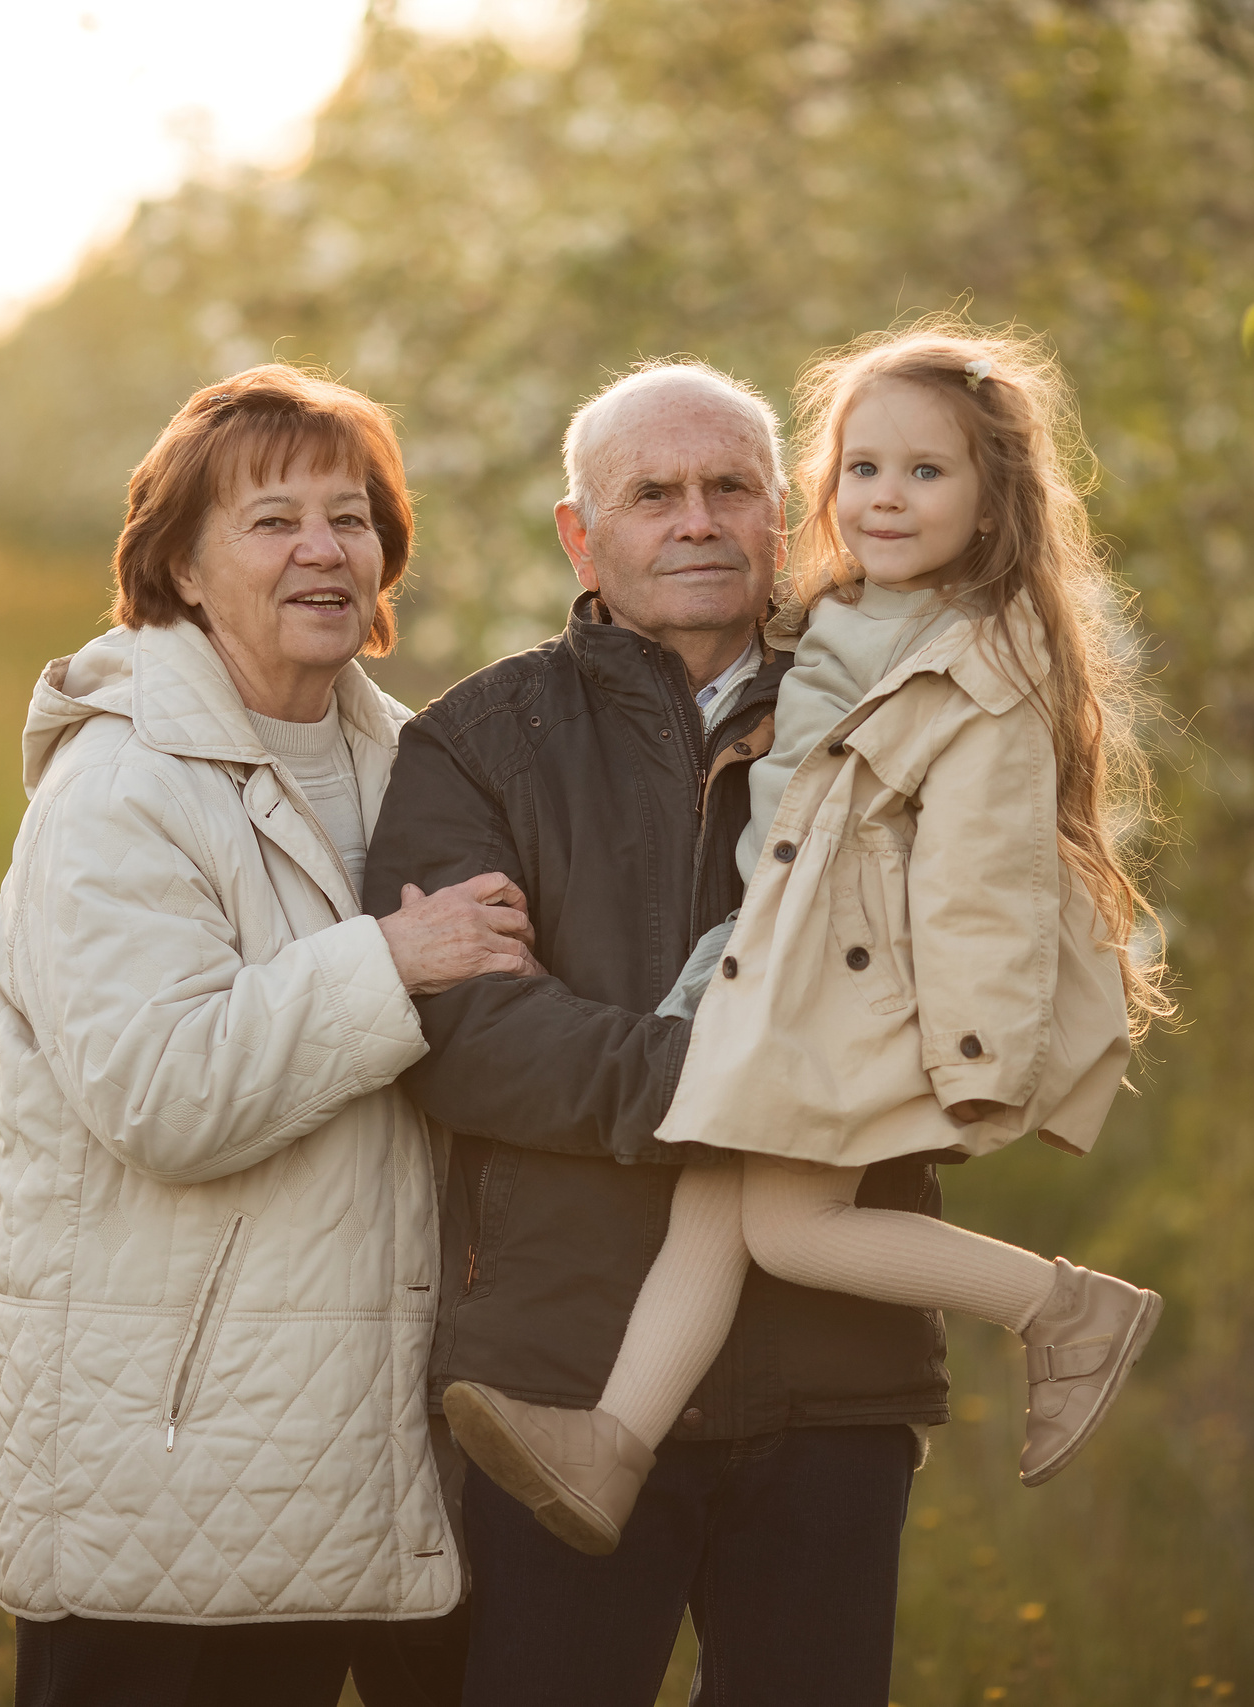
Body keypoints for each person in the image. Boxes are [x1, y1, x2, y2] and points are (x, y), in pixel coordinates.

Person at [441, 325, 1170, 1561]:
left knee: (782, 1225)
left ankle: (1067, 1306)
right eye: (864, 469)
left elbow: (983, 887)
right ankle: (612, 1447)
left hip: (861, 989)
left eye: (928, 473)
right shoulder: (844, 621)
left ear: (995, 504)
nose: (887, 497)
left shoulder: (981, 670)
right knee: (713, 1212)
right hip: (785, 964)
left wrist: (979, 1060)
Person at [362, 360, 948, 1706]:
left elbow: (959, 1003)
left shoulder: (894, 722)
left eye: (730, 486)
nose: (697, 519)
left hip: (832, 1374)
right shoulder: (477, 742)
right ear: (583, 533)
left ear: (784, 516)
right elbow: (468, 1039)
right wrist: (733, 1079)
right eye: (653, 493)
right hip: (556, 1379)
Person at [0, 365, 534, 1706]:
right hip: (186, 1463)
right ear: (177, 561)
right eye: (274, 519)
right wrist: (392, 962)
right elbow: (163, 1092)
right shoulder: (121, 787)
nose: (325, 549)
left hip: (406, 1448)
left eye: (351, 518)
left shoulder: (424, 768)